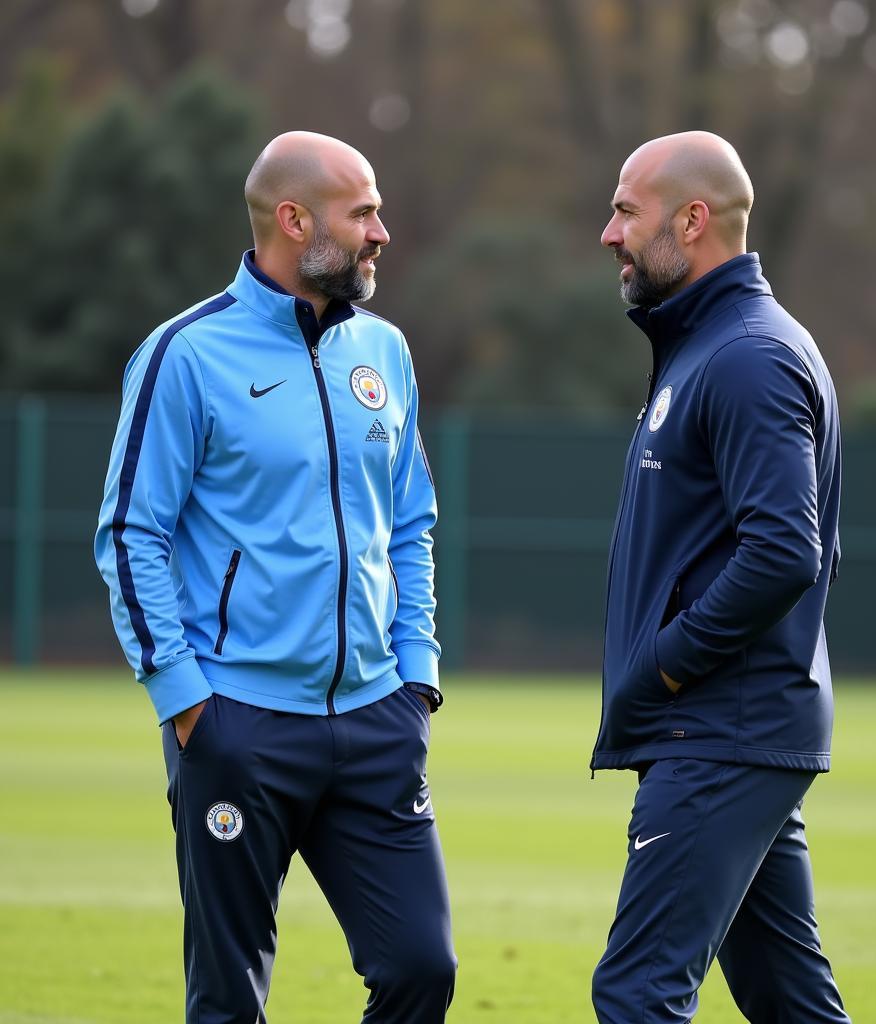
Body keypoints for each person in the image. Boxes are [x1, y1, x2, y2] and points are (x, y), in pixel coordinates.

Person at [95, 131, 456, 1023]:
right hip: (236, 724)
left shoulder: (386, 352)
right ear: (294, 222)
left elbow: (410, 523)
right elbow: (129, 534)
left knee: (422, 968)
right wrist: (188, 704)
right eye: (362, 212)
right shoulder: (185, 354)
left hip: (377, 719)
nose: (381, 232)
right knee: (228, 1001)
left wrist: (416, 677)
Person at [590, 131, 850, 1024]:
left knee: (636, 995)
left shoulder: (745, 356)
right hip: (728, 725)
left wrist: (663, 664)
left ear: (692, 221)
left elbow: (785, 550)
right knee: (789, 1003)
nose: (609, 233)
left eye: (626, 211)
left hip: (717, 728)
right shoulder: (709, 346)